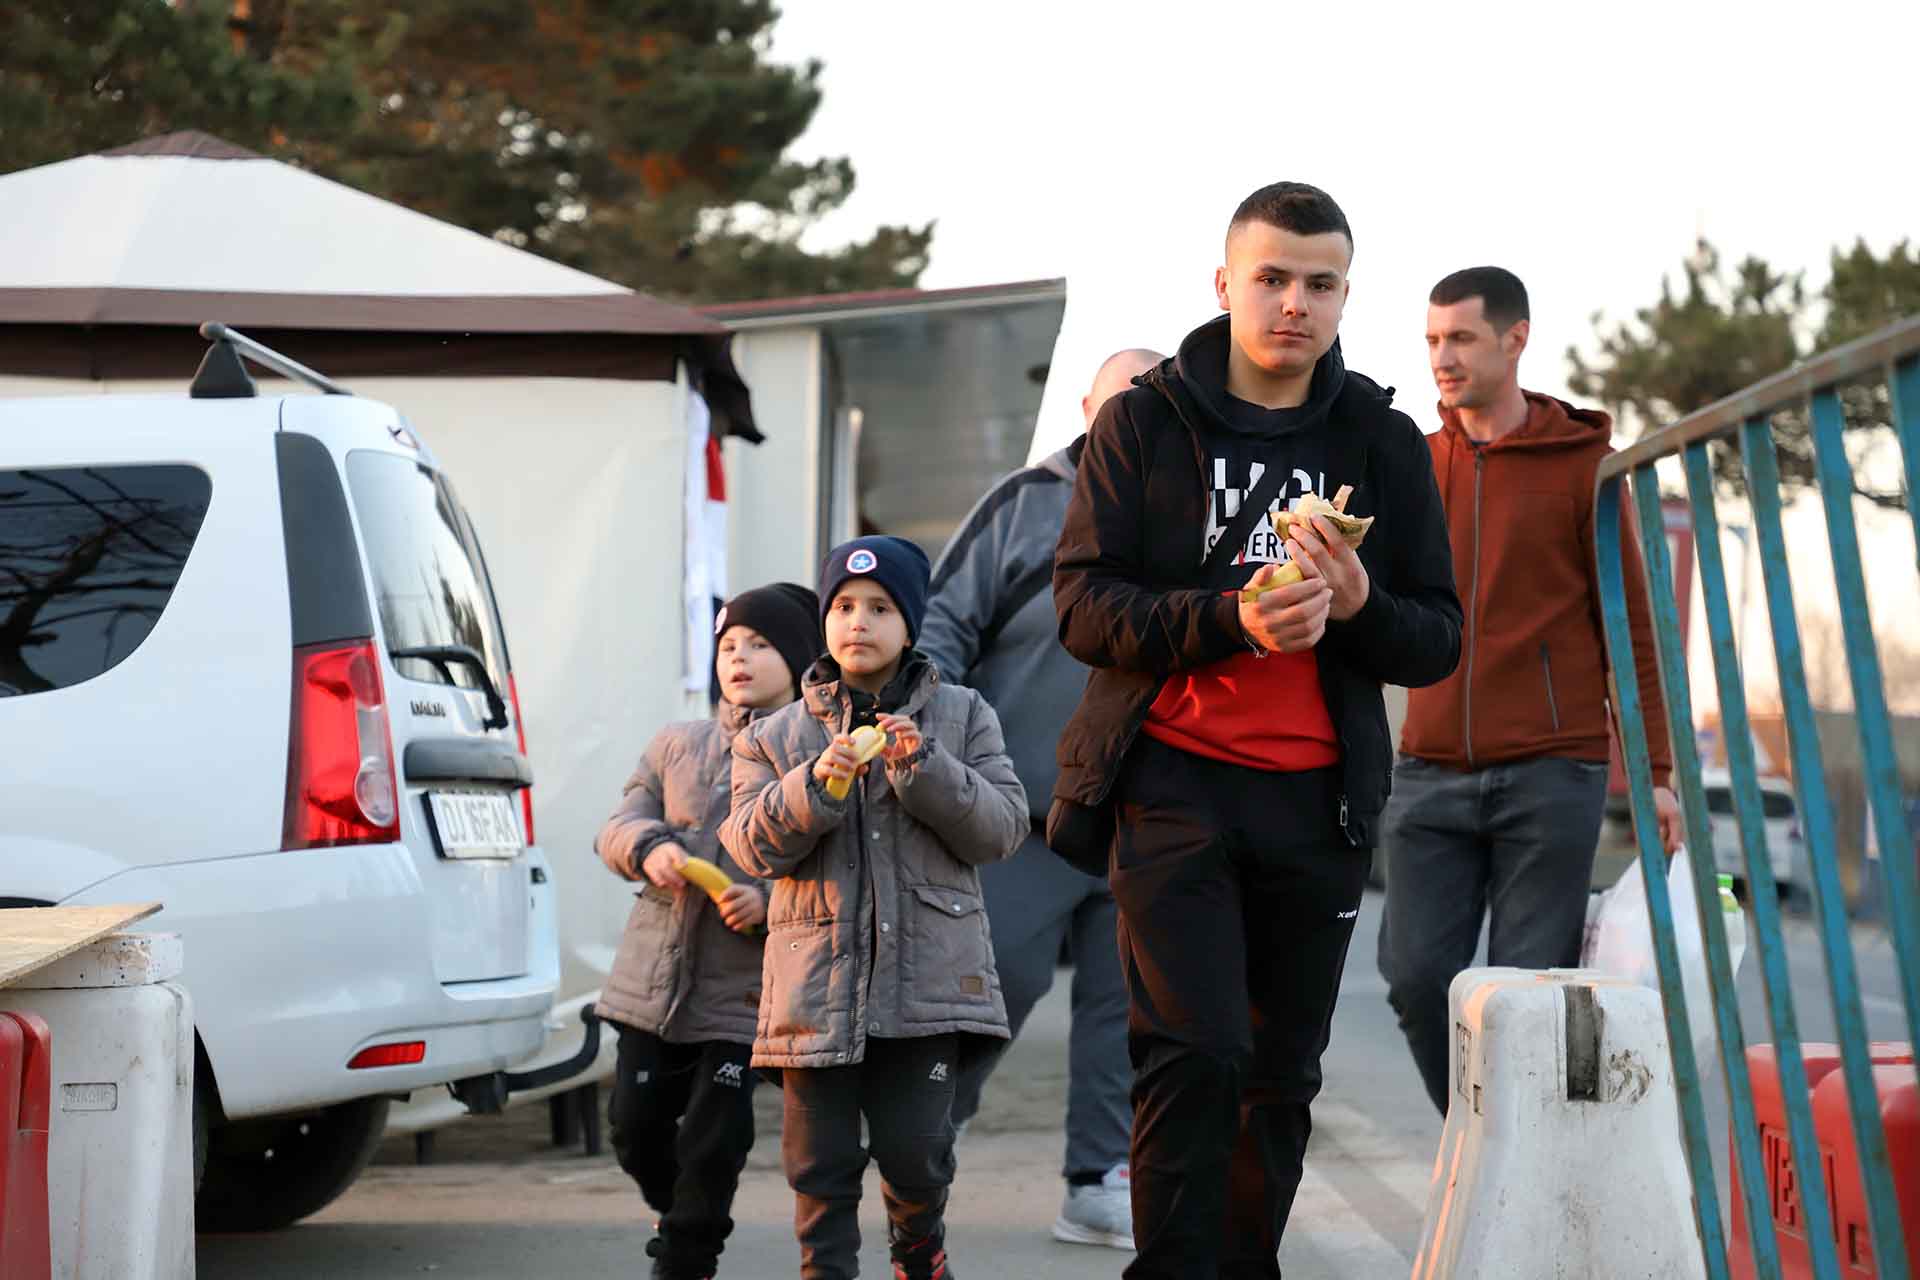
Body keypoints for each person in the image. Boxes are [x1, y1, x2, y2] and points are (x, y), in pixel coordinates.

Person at [1047, 180, 1463, 1279]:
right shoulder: (1144, 421)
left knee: (1280, 1073)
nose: (1295, 304)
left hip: (1318, 799)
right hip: (1172, 783)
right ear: (1224, 282)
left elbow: (1437, 639)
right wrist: (1228, 617)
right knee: (1197, 1052)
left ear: (1344, 295)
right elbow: (1084, 608)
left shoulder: (1380, 438)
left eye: (1320, 284)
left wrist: (1363, 604)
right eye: (1272, 278)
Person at [1380, 266, 1683, 1115]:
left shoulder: (1579, 465)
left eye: (1463, 338)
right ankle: (1483, 1139)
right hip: (1428, 768)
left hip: (1552, 772)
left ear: (1515, 339)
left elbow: (1633, 633)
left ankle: (1512, 1166)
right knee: (1413, 978)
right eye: (1434, 339)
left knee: (1528, 997)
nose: (1443, 357)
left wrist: (1657, 769)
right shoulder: (1412, 463)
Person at [720, 535, 1028, 1280]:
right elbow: (750, 846)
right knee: (817, 1170)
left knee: (917, 1155)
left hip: (928, 991)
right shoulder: (773, 735)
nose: (859, 622)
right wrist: (813, 788)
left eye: (881, 608)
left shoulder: (963, 715)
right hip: (813, 996)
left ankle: (919, 1253)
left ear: (911, 623)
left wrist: (923, 765)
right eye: (844, 607)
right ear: (824, 621)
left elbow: (1003, 827)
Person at [918, 346, 1163, 1252]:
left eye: (1155, 399)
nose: (1138, 414)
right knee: (995, 983)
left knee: (1125, 1009)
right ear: (1087, 406)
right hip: (1018, 807)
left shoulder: (1192, 510)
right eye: (1122, 398)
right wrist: (934, 750)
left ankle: (1097, 1181)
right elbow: (943, 621)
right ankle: (928, 1136)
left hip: (1141, 815)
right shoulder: (1026, 502)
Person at [593, 581, 823, 1280]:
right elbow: (620, 822)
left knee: (714, 1140)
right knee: (633, 1128)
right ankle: (676, 1211)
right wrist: (648, 846)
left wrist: (765, 899)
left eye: (760, 645)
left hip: (743, 991)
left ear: (800, 658)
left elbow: (829, 863)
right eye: (729, 645)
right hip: (653, 980)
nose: (740, 658)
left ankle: (688, 1256)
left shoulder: (815, 751)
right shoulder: (676, 745)